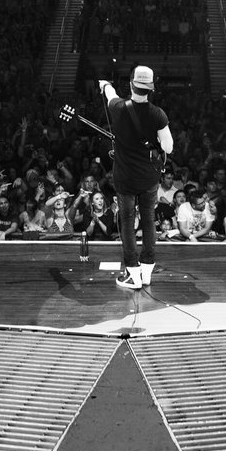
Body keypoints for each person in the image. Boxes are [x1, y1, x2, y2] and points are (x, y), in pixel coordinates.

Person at [99, 66, 173, 289]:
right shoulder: (158, 114)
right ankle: (147, 270)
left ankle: (133, 273)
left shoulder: (118, 107)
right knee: (149, 219)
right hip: (149, 177)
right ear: (151, 89)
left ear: (131, 85)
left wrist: (105, 84)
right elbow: (168, 147)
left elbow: (110, 94)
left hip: (125, 178)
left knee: (127, 222)